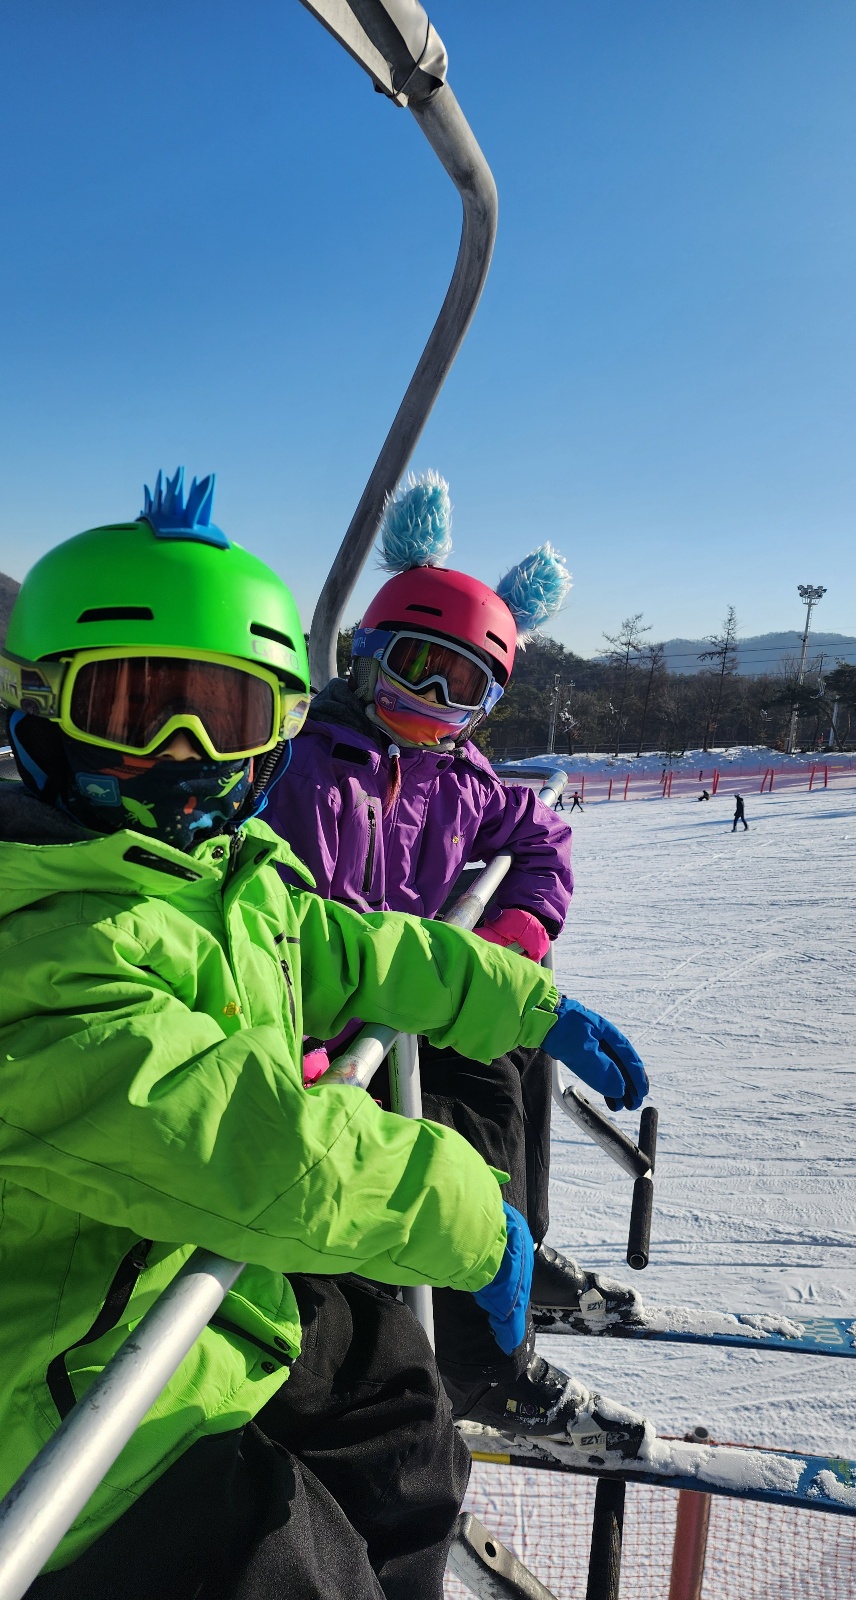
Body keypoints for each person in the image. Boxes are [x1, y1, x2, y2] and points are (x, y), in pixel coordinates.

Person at [0, 470, 648, 1600]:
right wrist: (467, 1214)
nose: (184, 750)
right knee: (294, 1567)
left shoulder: (219, 872)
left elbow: (347, 945)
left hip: (197, 1280)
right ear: (39, 702)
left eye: (229, 714)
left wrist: (518, 997)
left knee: (408, 1448)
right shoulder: (38, 937)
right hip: (62, 1386)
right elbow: (242, 1139)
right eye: (131, 707)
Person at [264, 473, 648, 1455]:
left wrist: (516, 932)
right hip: (323, 1028)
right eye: (411, 669)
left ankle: (515, 1245)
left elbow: (544, 836)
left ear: (487, 706)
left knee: (510, 1061)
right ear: (364, 657)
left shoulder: (462, 777)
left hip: (400, 997)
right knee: (450, 1120)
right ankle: (481, 1361)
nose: (427, 702)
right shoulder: (303, 760)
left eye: (459, 687)